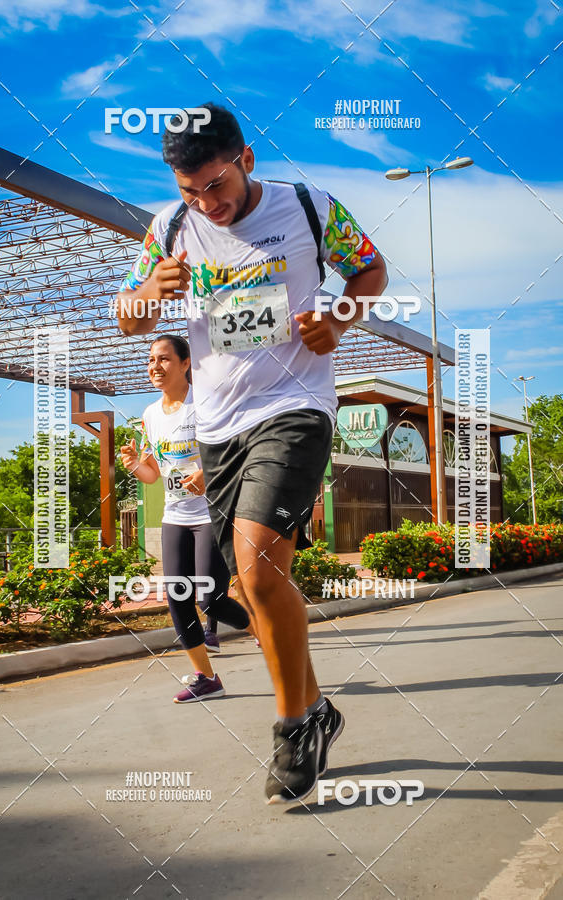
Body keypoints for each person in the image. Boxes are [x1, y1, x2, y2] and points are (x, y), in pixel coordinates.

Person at [117, 102, 388, 803]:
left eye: (217, 184)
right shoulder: (169, 229)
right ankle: (319, 710)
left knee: (260, 566)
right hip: (217, 428)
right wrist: (148, 291)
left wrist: (339, 317)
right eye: (191, 191)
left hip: (295, 406)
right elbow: (127, 318)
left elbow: (370, 270)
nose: (208, 204)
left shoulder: (308, 207)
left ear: (246, 159)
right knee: (252, 583)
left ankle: (293, 726)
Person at [119, 333, 251, 702]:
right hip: (174, 516)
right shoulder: (150, 415)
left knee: (211, 600)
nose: (155, 367)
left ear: (185, 363)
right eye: (150, 360)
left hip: (212, 513)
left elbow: (237, 453)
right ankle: (206, 678)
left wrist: (208, 475)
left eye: (163, 359)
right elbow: (152, 473)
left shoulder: (206, 404)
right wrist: (134, 464)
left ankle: (262, 631)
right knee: (178, 597)